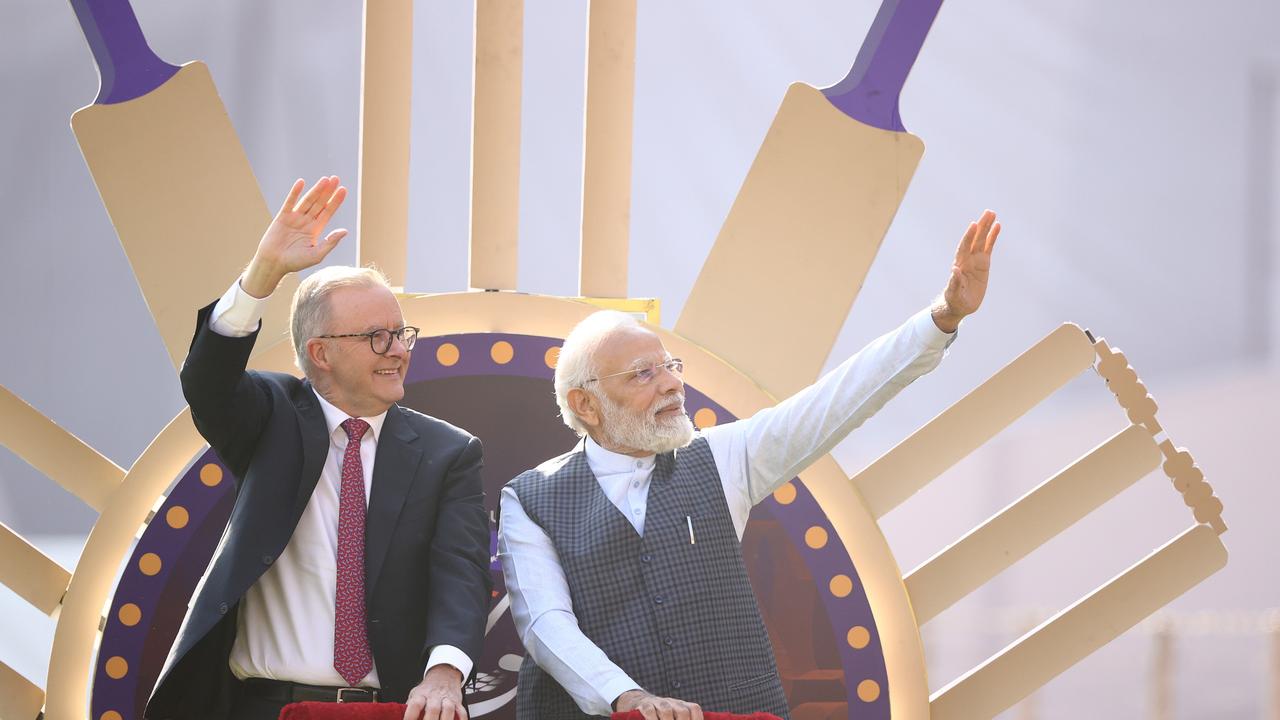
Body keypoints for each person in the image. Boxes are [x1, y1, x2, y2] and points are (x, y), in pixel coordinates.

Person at [498, 211, 1003, 720]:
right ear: (586, 405)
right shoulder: (530, 498)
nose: (672, 384)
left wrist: (944, 316)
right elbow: (545, 623)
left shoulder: (722, 456)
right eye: (643, 374)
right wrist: (626, 699)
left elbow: (838, 400)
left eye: (671, 367)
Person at [146, 177, 491, 720]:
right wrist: (263, 273)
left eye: (403, 334)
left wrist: (445, 675)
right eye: (378, 336)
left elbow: (461, 576)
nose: (398, 351)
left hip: (390, 710)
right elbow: (208, 381)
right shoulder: (272, 416)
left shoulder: (447, 452)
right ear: (321, 353)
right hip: (261, 706)